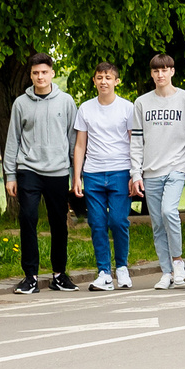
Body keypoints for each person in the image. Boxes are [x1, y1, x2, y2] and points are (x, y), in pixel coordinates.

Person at [4, 53, 77, 295]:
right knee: (27, 219)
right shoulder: (20, 104)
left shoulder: (66, 102)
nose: (40, 76)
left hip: (57, 171)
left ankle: (58, 275)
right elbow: (12, 139)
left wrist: (76, 174)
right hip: (28, 170)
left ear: (52, 73)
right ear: (31, 75)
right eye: (36, 73)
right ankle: (30, 277)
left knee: (59, 223)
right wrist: (10, 175)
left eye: (44, 72)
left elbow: (73, 140)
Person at [130, 55, 185, 288]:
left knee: (169, 212)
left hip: (176, 167)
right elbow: (137, 141)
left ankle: (178, 261)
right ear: (151, 74)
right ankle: (166, 271)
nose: (160, 75)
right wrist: (136, 173)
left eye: (165, 70)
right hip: (150, 170)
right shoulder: (141, 103)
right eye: (156, 71)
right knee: (157, 223)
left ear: (172, 72)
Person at [71, 61, 138, 292]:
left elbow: (134, 142)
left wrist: (135, 173)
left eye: (108, 77)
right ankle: (103, 273)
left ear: (116, 81)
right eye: (99, 77)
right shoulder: (86, 108)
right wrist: (77, 177)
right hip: (93, 173)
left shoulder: (127, 108)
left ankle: (122, 268)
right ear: (94, 81)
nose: (104, 82)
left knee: (118, 221)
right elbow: (80, 145)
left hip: (121, 172)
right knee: (97, 223)